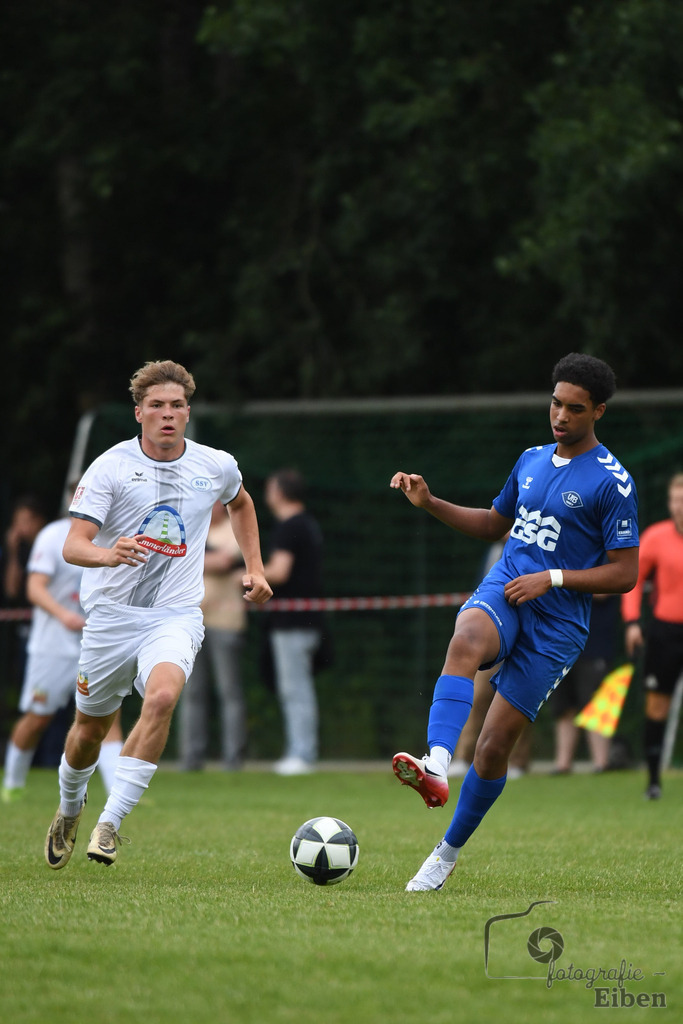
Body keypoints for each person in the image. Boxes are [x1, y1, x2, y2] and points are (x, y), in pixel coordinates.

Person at [390, 352, 639, 892]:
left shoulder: (613, 484)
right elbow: (493, 524)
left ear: (598, 411)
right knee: (466, 639)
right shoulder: (529, 459)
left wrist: (552, 578)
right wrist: (430, 501)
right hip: (507, 587)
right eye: (555, 403)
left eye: (575, 408)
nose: (561, 416)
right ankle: (436, 763)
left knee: (493, 747)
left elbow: (624, 574)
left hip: (558, 624)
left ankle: (445, 854)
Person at [44, 359, 271, 870]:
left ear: (187, 412)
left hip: (175, 614)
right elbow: (74, 546)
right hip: (109, 617)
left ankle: (111, 822)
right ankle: (70, 808)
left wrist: (254, 567)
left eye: (176, 406)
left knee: (164, 695)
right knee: (88, 733)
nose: (167, 415)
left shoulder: (215, 464)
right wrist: (109, 553)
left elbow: (241, 503)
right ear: (139, 414)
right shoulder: (110, 467)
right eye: (156, 407)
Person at [2, 501, 123, 802]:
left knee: (108, 719)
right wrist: (63, 615)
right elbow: (34, 587)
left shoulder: (116, 534)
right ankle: (13, 784)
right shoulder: (53, 536)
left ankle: (119, 793)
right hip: (52, 647)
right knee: (38, 717)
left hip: (96, 643)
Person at [621, 472, 683, 800]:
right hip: (665, 632)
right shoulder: (656, 537)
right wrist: (632, 623)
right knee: (656, 707)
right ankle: (654, 781)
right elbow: (631, 579)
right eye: (676, 499)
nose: (680, 507)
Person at [178, 500, 247, 771]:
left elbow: (224, 561)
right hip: (191, 623)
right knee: (191, 693)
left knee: (229, 692)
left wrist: (189, 557)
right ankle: (191, 758)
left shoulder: (235, 529)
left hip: (226, 621)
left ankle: (233, 759)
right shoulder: (193, 528)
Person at [263, 469, 324, 775]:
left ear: (279, 493)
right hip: (308, 621)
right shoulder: (309, 524)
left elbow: (278, 571)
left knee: (295, 689)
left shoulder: (290, 527)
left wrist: (247, 575)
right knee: (299, 688)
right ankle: (301, 751)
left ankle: (301, 754)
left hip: (292, 622)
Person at [550, 594, 619, 774]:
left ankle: (601, 763)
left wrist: (561, 581)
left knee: (596, 706)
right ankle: (562, 765)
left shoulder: (603, 564)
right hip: (562, 644)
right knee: (564, 707)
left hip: (595, 644)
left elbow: (602, 592)